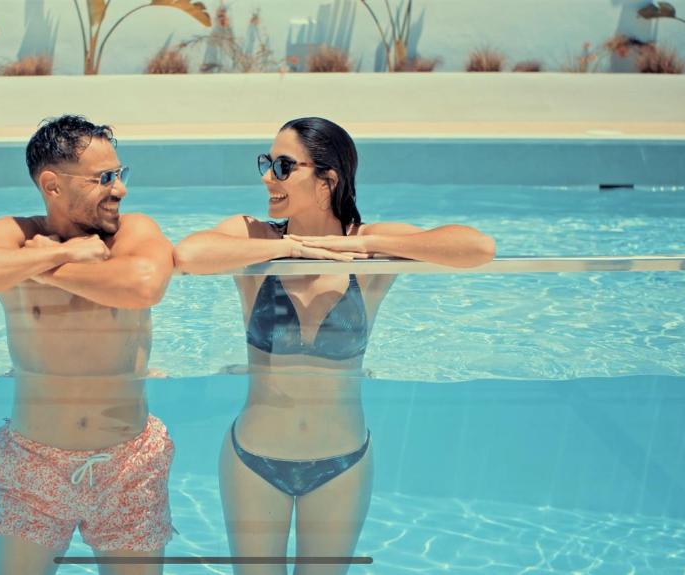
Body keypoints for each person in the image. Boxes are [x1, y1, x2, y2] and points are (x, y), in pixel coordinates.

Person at [174, 117, 495, 573]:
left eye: (284, 166)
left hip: (341, 465)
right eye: (267, 163)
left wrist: (372, 246)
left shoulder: (367, 248)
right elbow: (188, 255)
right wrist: (293, 249)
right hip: (253, 462)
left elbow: (477, 247)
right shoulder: (258, 238)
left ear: (327, 180)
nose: (268, 177)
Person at [0, 115, 175, 575]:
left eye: (120, 175)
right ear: (52, 185)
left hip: (128, 460)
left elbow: (144, 285)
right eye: (104, 178)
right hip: (33, 461)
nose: (120, 189)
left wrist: (34, 266)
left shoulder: (132, 233)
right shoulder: (16, 233)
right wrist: (63, 253)